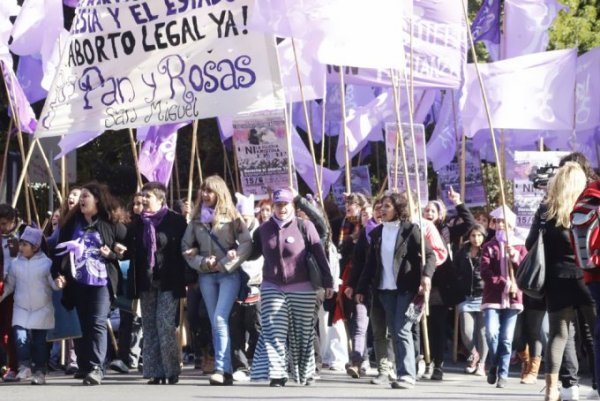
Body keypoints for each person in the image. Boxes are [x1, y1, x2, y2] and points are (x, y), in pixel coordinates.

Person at [250, 188, 334, 387]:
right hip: (272, 285)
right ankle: (277, 373)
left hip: (302, 286)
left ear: (293, 205)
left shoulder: (305, 226)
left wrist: (328, 281)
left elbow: (320, 254)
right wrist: (235, 252)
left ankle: (306, 373)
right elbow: (252, 253)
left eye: (285, 204)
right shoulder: (263, 230)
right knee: (273, 330)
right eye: (278, 205)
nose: (282, 208)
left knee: (303, 333)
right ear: (273, 206)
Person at [527, 162, 596, 401]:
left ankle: (555, 389)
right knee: (593, 334)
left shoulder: (546, 210)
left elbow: (530, 244)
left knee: (558, 336)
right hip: (587, 278)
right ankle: (596, 384)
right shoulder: (587, 207)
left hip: (556, 281)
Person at [355, 193, 436, 390]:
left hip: (406, 288)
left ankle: (408, 374)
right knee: (394, 330)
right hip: (384, 290)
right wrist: (361, 288)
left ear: (398, 209)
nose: (382, 209)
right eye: (381, 206)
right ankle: (402, 373)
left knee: (401, 329)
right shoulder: (377, 233)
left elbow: (430, 254)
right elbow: (370, 264)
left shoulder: (411, 230)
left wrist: (426, 276)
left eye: (387, 206)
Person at [51, 182, 127, 386]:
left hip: (102, 281)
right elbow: (58, 252)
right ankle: (85, 366)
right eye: (81, 196)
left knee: (97, 322)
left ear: (98, 200)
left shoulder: (110, 222)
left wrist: (113, 253)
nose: (82, 200)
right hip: (77, 281)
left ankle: (97, 367)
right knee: (82, 324)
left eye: (86, 196)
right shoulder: (70, 223)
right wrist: (58, 274)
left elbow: (127, 247)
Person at [182, 175, 252, 386]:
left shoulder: (233, 216)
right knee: (215, 322)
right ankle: (227, 370)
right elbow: (185, 248)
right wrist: (203, 261)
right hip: (206, 276)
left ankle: (221, 368)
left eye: (209, 191)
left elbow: (247, 243)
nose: (205, 194)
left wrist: (227, 262)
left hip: (228, 275)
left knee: (220, 319)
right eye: (203, 190)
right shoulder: (196, 219)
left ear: (219, 193)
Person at [127, 182, 188, 385]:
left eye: (148, 196)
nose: (143, 200)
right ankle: (154, 371)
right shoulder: (138, 222)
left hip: (169, 280)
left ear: (160, 199)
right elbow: (131, 248)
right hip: (147, 281)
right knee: (150, 325)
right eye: (143, 196)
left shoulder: (176, 221)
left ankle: (171, 370)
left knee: (164, 324)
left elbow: (184, 249)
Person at [0, 227, 58, 384]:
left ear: (35, 246)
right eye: (21, 244)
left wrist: (59, 283)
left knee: (39, 343)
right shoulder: (15, 264)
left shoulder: (47, 263)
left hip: (42, 308)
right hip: (21, 307)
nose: (21, 248)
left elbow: (53, 285)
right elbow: (9, 285)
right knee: (19, 338)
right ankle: (24, 366)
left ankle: (39, 372)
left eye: (25, 244)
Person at [480, 205, 527, 389]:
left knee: (506, 338)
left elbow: (525, 269)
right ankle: (494, 363)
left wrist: (514, 256)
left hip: (514, 300)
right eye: (497, 221)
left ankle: (503, 373)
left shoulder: (520, 246)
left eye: (503, 222)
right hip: (493, 297)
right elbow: (485, 272)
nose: (500, 225)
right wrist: (505, 284)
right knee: (492, 333)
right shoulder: (488, 246)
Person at [229, 193, 262, 382]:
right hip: (235, 283)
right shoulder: (230, 233)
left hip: (257, 283)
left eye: (247, 218)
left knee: (256, 325)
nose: (244, 222)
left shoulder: (261, 233)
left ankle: (255, 360)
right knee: (236, 327)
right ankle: (240, 365)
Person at [454, 224, 488, 377]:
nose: (476, 239)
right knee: (467, 332)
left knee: (482, 333)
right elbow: (455, 270)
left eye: (479, 235)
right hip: (465, 297)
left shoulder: (487, 250)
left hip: (484, 296)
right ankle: (474, 354)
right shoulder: (462, 251)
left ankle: (482, 364)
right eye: (473, 235)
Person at [0, 204, 25, 382]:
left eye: (4, 223)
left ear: (13, 221)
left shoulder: (24, 234)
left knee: (12, 328)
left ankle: (14, 366)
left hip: (17, 287)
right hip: (1, 285)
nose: (1, 227)